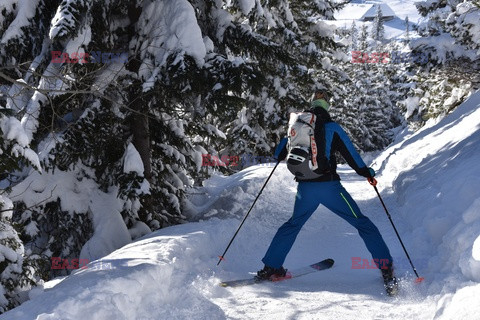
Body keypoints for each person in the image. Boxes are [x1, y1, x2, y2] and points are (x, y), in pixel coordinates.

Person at [256, 90, 398, 295]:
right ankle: (386, 269)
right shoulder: (331, 127)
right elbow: (351, 154)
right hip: (329, 188)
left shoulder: (297, 124)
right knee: (362, 223)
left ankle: (271, 267)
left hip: (305, 188)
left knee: (293, 224)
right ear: (327, 105)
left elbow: (279, 154)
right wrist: (365, 172)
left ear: (312, 103)